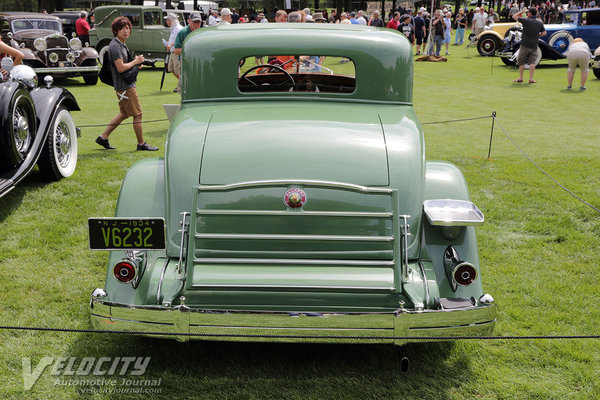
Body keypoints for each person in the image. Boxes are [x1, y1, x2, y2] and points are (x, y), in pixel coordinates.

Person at [95, 17, 158, 152]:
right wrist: (136, 62)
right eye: (123, 28)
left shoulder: (121, 44)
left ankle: (103, 137)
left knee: (124, 113)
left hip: (123, 86)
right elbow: (121, 68)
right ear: (116, 30)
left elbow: (126, 65)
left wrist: (139, 63)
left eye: (128, 28)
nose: (126, 31)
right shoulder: (115, 46)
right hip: (125, 87)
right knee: (138, 114)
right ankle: (141, 144)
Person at [513, 7, 545, 84]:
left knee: (521, 62)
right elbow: (544, 33)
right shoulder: (539, 22)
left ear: (529, 13)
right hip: (534, 44)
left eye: (528, 12)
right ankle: (531, 79)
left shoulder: (526, 20)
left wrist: (522, 11)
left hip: (525, 44)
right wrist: (537, 36)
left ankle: (521, 78)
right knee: (532, 62)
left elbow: (514, 16)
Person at [164, 13, 182, 93]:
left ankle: (181, 86)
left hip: (176, 52)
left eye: (167, 20)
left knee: (177, 70)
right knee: (170, 68)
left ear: (171, 20)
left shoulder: (178, 28)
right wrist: (169, 43)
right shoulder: (174, 28)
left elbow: (180, 40)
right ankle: (182, 83)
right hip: (172, 51)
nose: (166, 21)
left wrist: (170, 44)